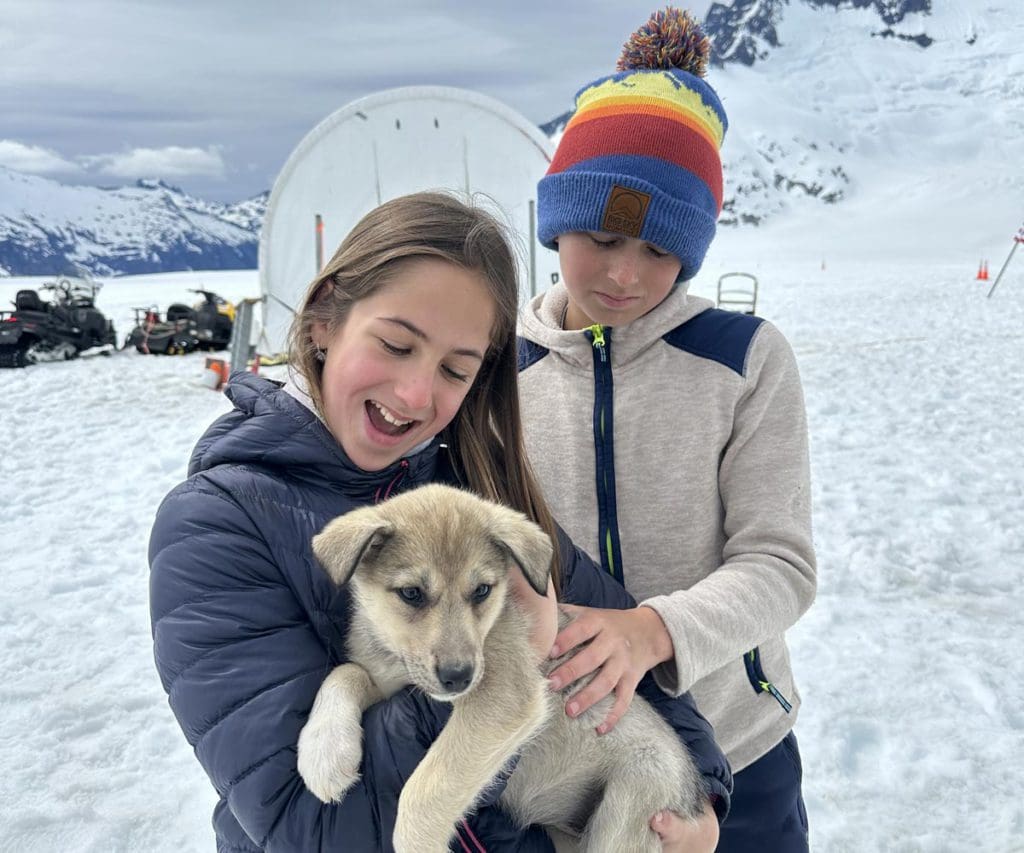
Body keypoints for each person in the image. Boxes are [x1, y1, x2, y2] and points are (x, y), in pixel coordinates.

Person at [148, 191, 730, 852]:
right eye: (397, 344)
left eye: (456, 369)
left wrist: (700, 793)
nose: (415, 395)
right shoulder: (218, 527)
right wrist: (511, 656)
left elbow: (625, 644)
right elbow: (303, 824)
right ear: (322, 321)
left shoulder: (476, 491)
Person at [516, 8, 817, 852]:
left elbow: (780, 564)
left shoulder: (745, 359)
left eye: (659, 250)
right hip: (571, 757)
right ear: (555, 222)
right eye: (601, 236)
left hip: (742, 749)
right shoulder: (499, 378)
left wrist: (653, 631)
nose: (623, 273)